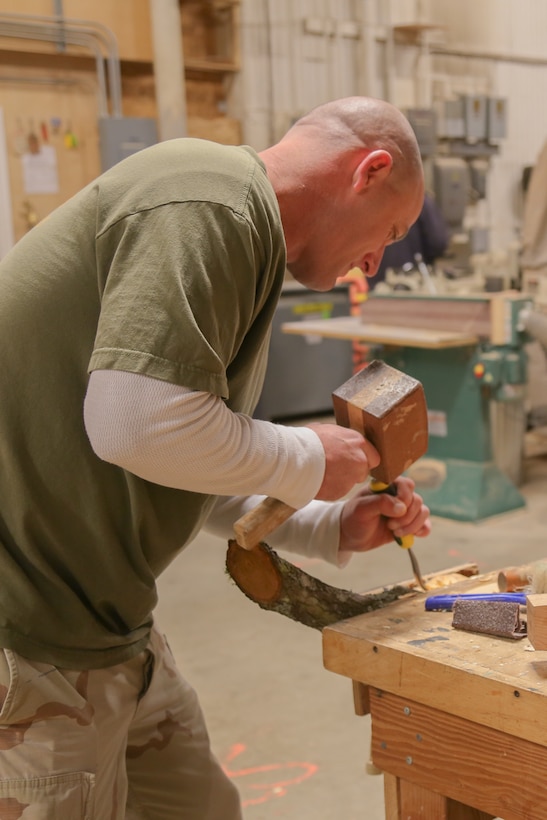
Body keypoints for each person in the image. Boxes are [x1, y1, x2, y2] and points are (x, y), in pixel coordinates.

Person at [0, 96, 430, 819]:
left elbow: (186, 454)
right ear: (369, 169)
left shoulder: (244, 239)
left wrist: (327, 524)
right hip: (32, 643)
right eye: (387, 232)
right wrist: (303, 453)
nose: (373, 262)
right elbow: (135, 428)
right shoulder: (210, 199)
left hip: (107, 631)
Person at [366, 191, 449, 289]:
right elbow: (438, 242)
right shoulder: (419, 200)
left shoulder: (369, 200)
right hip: (411, 282)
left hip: (373, 284)